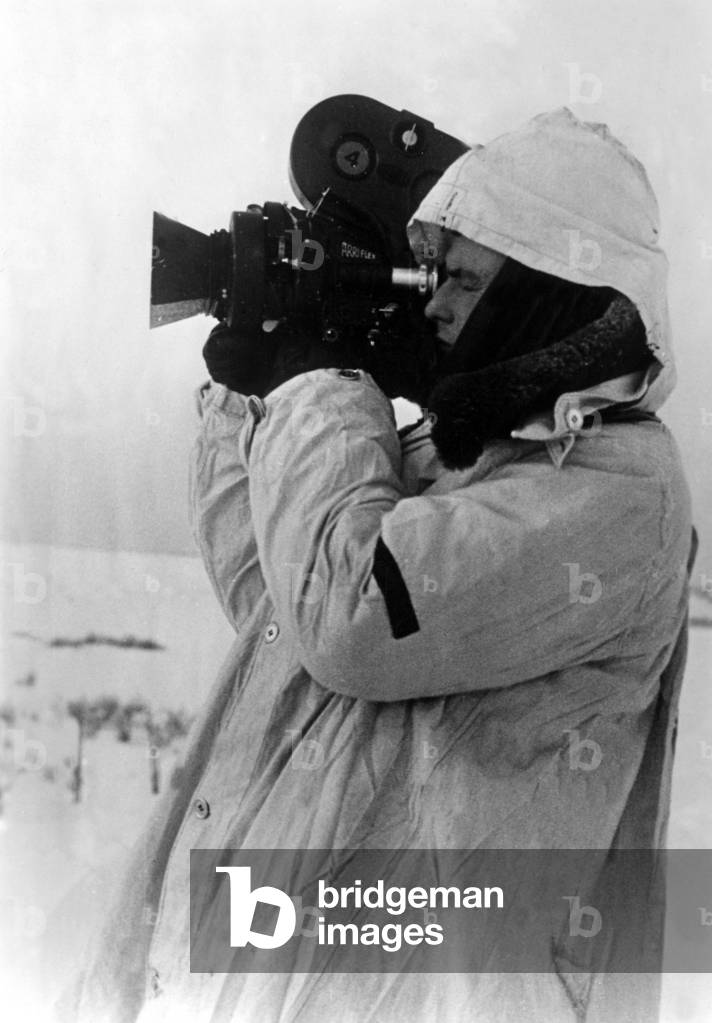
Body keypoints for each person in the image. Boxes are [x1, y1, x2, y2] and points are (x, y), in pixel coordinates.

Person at [61, 107, 694, 1022]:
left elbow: (349, 619)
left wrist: (322, 386)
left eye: (463, 277)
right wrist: (252, 401)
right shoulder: (460, 456)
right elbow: (275, 613)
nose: (430, 301)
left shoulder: (618, 488)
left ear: (550, 287)